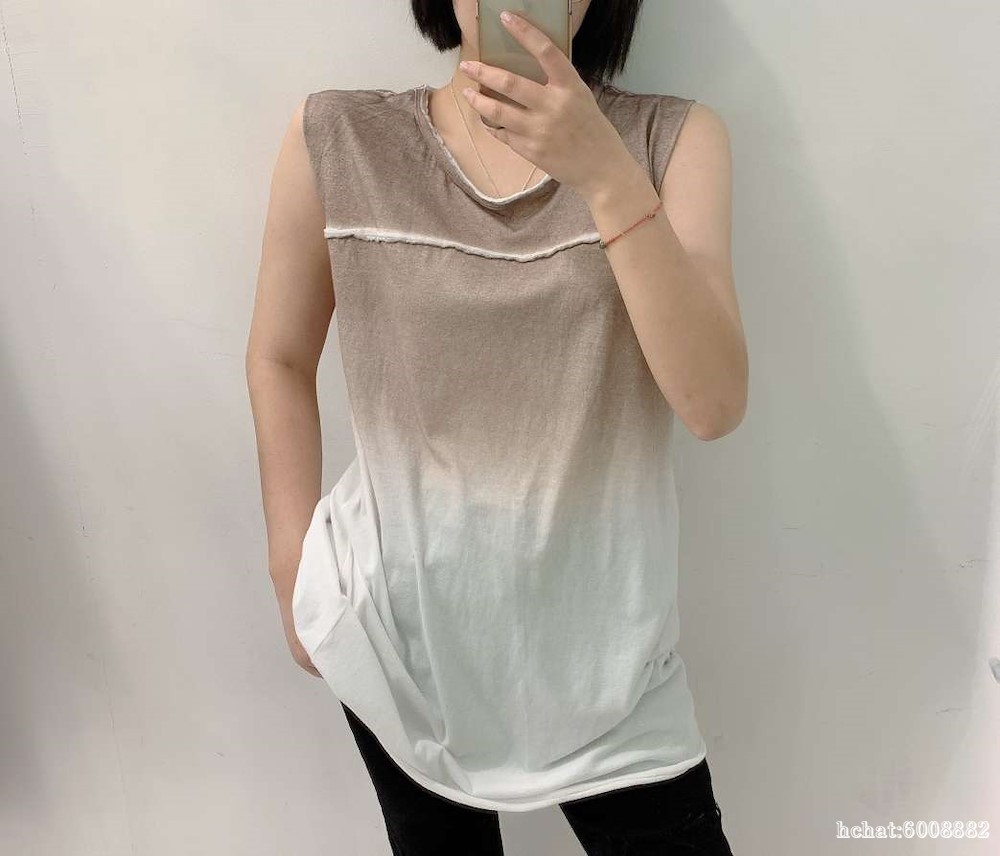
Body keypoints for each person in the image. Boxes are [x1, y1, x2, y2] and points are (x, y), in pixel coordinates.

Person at [245, 0, 745, 852]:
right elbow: (279, 357)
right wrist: (290, 563)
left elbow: (713, 404)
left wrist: (606, 175)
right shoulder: (340, 138)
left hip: (613, 671)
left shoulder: (673, 141)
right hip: (401, 649)